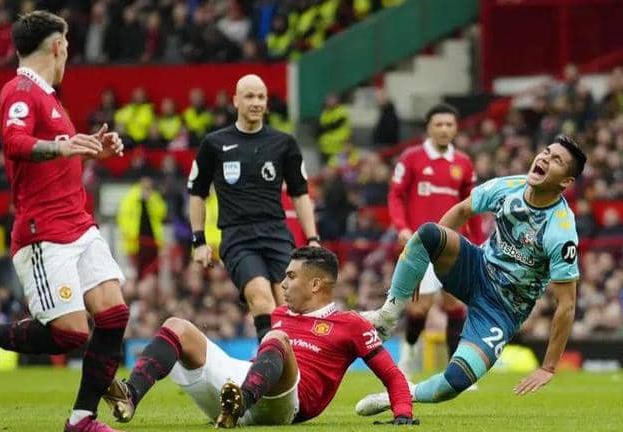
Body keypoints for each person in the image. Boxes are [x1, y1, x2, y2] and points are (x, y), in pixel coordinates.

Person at [0, 11, 127, 432]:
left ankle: (82, 419)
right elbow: (14, 142)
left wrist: (92, 151)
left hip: (79, 225)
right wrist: (63, 148)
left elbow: (56, 160)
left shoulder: (50, 98)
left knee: (114, 314)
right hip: (43, 234)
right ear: (58, 46)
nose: (69, 54)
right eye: (68, 45)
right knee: (70, 335)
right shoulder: (20, 90)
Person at [357, 135, 586, 415]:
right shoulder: (508, 186)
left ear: (566, 182)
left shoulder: (561, 231)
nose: (545, 159)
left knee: (455, 382)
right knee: (429, 233)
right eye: (547, 152)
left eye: (556, 160)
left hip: (502, 309)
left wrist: (548, 367)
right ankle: (387, 316)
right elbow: (463, 209)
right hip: (475, 268)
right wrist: (424, 261)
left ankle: (403, 392)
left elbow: (567, 304)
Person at [104, 246, 417, 427]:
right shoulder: (281, 314)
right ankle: (130, 395)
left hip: (287, 404)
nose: (283, 284)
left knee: (276, 339)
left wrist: (403, 414)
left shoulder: (351, 324)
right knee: (177, 326)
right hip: (244, 387)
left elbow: (392, 375)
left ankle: (239, 404)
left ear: (315, 285)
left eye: (291, 276)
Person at [187, 74, 320, 341]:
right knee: (261, 299)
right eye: (249, 96)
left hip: (276, 234)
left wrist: (313, 238)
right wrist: (198, 241)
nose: (256, 102)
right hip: (237, 237)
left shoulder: (284, 143)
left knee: (288, 305)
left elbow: (300, 194)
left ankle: (285, 363)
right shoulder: (214, 144)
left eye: (261, 97)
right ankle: (271, 365)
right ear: (236, 100)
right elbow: (197, 193)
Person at [387, 103, 483, 378]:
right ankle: (408, 354)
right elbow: (395, 195)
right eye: (438, 124)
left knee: (455, 305)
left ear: (456, 128)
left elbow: (472, 206)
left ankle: (457, 369)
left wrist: (478, 241)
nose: (444, 129)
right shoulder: (411, 158)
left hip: (454, 246)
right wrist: (402, 227)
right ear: (428, 127)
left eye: (449, 124)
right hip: (421, 245)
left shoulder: (463, 163)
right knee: (420, 308)